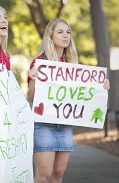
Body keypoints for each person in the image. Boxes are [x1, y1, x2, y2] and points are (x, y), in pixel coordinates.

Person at [27, 18, 110, 183]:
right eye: (60, 32)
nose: (65, 36)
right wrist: (34, 80)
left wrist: (101, 87)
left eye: (68, 32)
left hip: (64, 125)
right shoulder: (40, 62)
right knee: (44, 176)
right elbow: (30, 98)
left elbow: (84, 93)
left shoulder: (73, 64)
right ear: (50, 36)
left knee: (57, 176)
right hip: (43, 125)